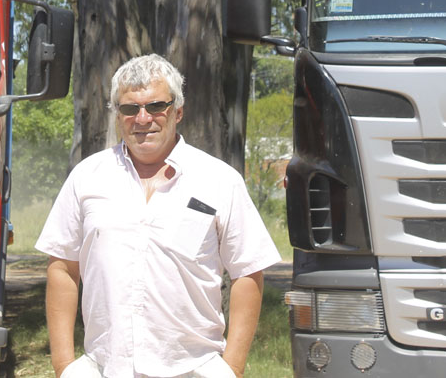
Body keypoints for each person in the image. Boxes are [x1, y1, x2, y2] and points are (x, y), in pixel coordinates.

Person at [36, 54, 280, 378]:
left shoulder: (220, 180)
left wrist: (232, 368)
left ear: (177, 111)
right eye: (129, 108)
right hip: (105, 368)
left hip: (194, 369)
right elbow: (63, 267)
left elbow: (248, 272)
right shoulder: (87, 177)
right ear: (116, 115)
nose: (142, 118)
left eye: (155, 106)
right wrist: (64, 366)